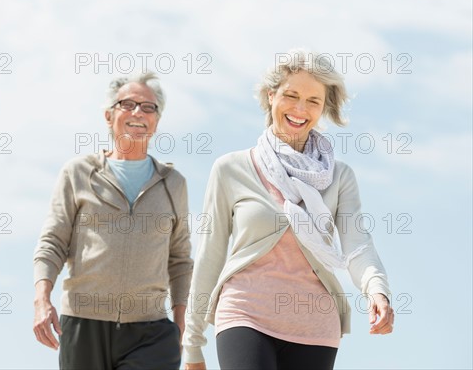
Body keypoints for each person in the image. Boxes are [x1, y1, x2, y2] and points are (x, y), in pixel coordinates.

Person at [182, 49, 394, 370]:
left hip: (315, 325)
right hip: (244, 312)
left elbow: (357, 245)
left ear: (324, 108)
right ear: (271, 96)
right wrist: (193, 342)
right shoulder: (231, 169)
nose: (300, 109)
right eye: (291, 95)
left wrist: (377, 291)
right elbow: (210, 254)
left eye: (313, 101)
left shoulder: (339, 177)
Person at [33, 72, 193, 369]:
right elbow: (53, 242)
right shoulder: (78, 173)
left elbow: (180, 259)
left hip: (151, 330)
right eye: (127, 104)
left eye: (148, 107)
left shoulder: (174, 184)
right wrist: (42, 299)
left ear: (156, 122)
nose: (138, 113)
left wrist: (181, 324)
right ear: (109, 116)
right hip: (84, 324)